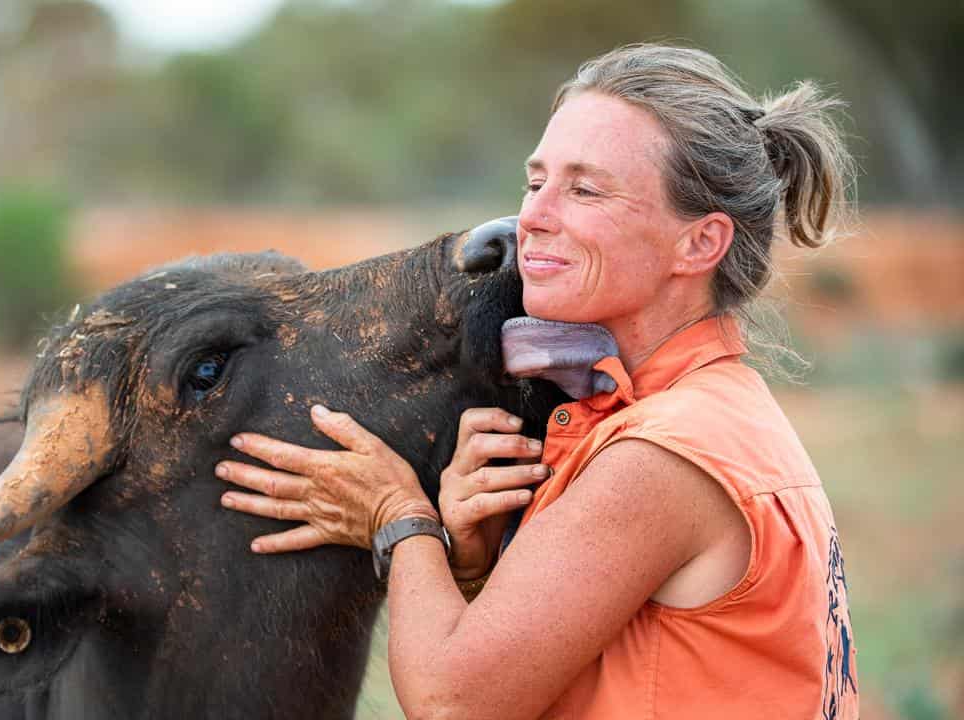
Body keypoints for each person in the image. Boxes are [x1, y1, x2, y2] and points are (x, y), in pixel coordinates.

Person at [216, 43, 859, 718]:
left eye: (584, 190)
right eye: (535, 183)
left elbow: (450, 703)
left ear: (699, 243)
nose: (533, 218)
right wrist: (471, 561)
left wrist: (398, 518)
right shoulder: (704, 415)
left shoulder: (665, 453)